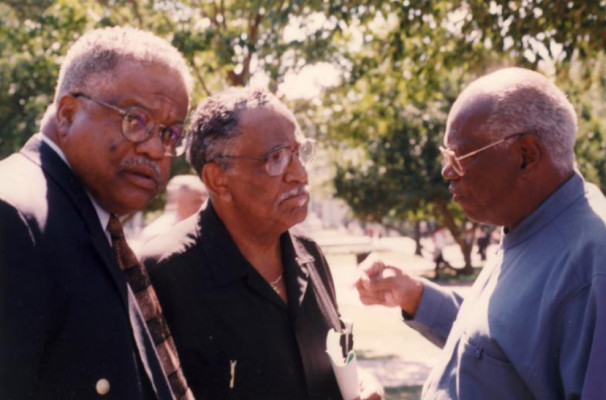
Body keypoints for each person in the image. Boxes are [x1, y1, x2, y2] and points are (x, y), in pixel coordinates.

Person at [355, 67, 606, 399]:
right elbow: (502, 344)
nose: (446, 171)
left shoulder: (590, 267)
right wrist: (416, 296)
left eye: (460, 157)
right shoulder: (529, 222)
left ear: (526, 156)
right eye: (446, 156)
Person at [139, 88, 383, 400]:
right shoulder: (163, 273)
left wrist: (361, 382)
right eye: (276, 158)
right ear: (218, 180)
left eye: (300, 153)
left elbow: (316, 367)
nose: (300, 174)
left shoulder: (310, 255)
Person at [0, 27, 194, 399]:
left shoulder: (94, 220)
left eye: (170, 134)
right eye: (135, 120)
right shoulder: (14, 218)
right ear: (69, 113)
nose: (155, 148)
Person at [138, 174, 208, 243]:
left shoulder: (201, 228)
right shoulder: (158, 234)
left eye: (203, 202)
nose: (202, 206)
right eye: (196, 202)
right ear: (178, 201)